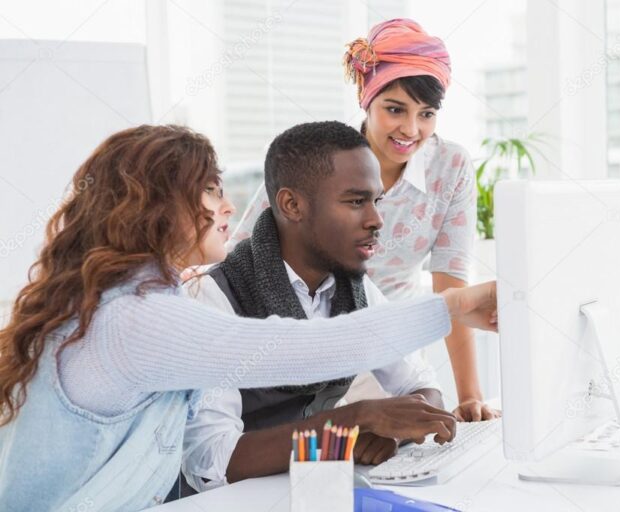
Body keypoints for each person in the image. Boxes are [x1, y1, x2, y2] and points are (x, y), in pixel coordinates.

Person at [0, 125, 497, 511]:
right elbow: (303, 349)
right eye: (212, 191)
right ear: (156, 207)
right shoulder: (132, 319)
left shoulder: (138, 300)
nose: (229, 205)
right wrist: (455, 306)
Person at [231, 19, 497, 421]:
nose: (411, 129)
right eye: (395, 109)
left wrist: (470, 396)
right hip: (314, 342)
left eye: (426, 114)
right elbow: (252, 249)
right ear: (366, 100)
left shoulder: (451, 166)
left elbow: (452, 288)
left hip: (396, 350)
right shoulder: (322, 162)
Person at [181, 121, 450, 492]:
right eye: (356, 202)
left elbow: (420, 385)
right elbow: (212, 461)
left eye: (376, 200)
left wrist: (393, 433)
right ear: (292, 205)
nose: (376, 220)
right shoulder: (213, 295)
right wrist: (353, 422)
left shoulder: (355, 288)